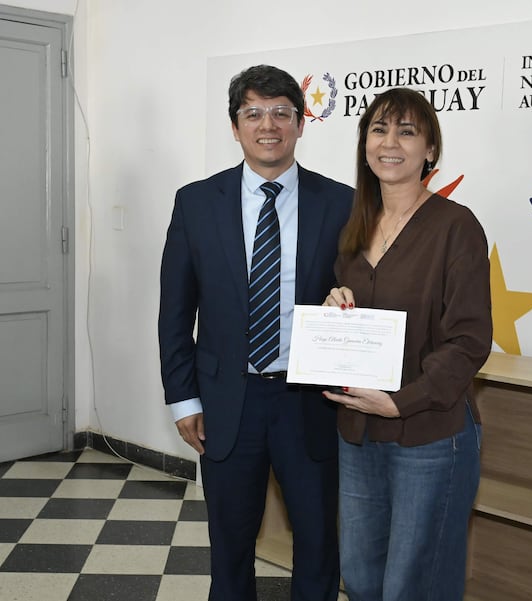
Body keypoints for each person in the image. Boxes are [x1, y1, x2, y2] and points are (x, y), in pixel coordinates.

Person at [158, 64, 353, 601]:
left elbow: (360, 294)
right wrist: (183, 400)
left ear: (300, 122)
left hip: (309, 400)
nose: (268, 126)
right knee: (230, 544)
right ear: (235, 125)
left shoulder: (341, 202)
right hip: (226, 402)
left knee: (317, 543)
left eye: (281, 114)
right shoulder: (196, 203)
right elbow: (175, 311)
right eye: (254, 114)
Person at [322, 88, 492, 601]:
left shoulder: (455, 227)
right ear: (364, 144)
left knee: (413, 585)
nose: (389, 142)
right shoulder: (353, 228)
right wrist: (335, 306)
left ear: (430, 151)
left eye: (406, 131)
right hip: (358, 432)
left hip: (428, 436)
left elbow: (469, 340)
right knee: (361, 575)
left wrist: (401, 401)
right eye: (378, 129)